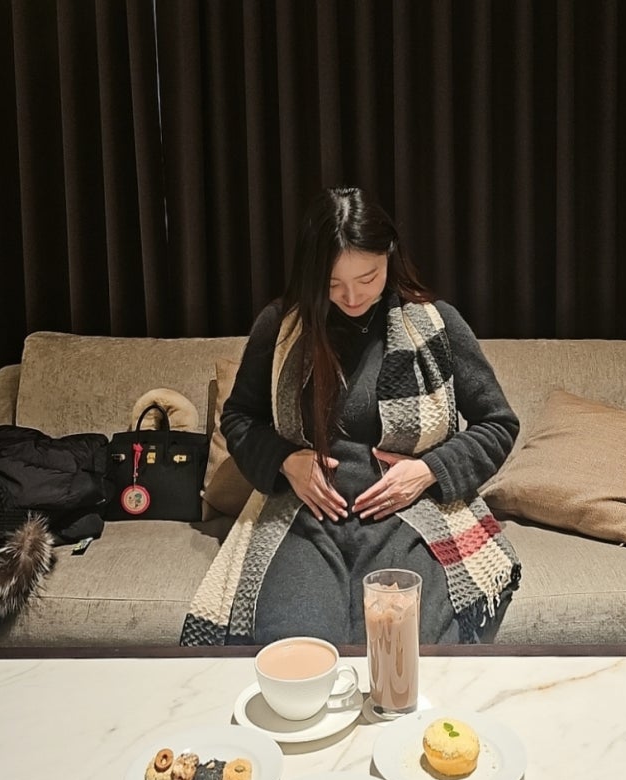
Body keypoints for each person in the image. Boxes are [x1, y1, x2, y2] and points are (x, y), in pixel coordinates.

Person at [182, 187, 520, 647]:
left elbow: (498, 424)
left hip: (409, 516)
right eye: (333, 283)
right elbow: (240, 418)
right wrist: (286, 461)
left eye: (368, 277)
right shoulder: (281, 326)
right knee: (297, 650)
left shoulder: (436, 323)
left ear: (389, 257)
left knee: (401, 649)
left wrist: (427, 471)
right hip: (302, 516)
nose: (352, 296)